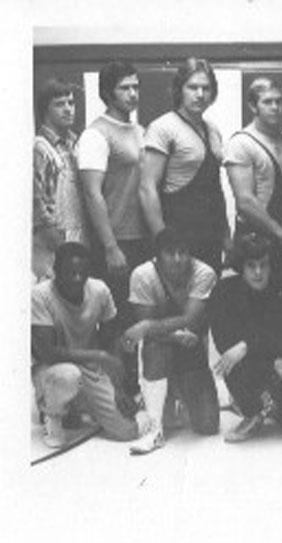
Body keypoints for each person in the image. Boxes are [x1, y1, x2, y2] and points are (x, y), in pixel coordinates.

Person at [77, 60, 150, 395]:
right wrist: (109, 247)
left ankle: (133, 391)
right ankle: (116, 396)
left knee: (135, 319)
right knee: (114, 322)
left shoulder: (138, 130)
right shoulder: (96, 134)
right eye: (125, 87)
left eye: (135, 86)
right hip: (115, 242)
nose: (132, 93)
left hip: (140, 239)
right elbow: (92, 194)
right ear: (107, 92)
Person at [209, 234, 282, 442]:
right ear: (241, 267)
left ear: (271, 265)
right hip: (247, 367)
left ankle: (271, 405)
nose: (258, 272)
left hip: (280, 364)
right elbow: (224, 343)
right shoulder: (223, 291)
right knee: (231, 360)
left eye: (263, 265)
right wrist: (263, 353)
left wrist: (248, 345)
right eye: (251, 266)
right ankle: (251, 410)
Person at [31, 242, 142, 448]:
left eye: (82, 273)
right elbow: (47, 352)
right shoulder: (40, 295)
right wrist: (98, 356)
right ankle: (52, 414)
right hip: (53, 368)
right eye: (70, 273)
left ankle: (80, 405)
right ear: (56, 271)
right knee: (69, 376)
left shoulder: (99, 290)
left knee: (128, 431)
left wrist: (119, 388)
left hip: (90, 367)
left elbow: (111, 341)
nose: (77, 279)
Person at [122, 228, 219, 454]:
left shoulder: (204, 273)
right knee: (154, 347)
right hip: (161, 346)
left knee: (208, 425)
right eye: (170, 253)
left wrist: (148, 326)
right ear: (158, 255)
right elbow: (146, 332)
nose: (177, 259)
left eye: (183, 252)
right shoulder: (142, 275)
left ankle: (175, 392)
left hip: (191, 345)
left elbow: (190, 319)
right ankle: (155, 430)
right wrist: (170, 334)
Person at [139, 57, 229, 274]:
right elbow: (147, 188)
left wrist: (226, 237)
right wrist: (162, 241)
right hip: (177, 238)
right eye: (193, 87)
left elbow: (216, 190)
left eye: (206, 88)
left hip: (210, 237)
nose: (200, 94)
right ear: (180, 89)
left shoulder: (213, 130)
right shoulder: (163, 127)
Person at [224, 78, 282, 286]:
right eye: (267, 102)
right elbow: (245, 201)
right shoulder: (241, 143)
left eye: (279, 101)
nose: (275, 107)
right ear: (253, 106)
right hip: (254, 244)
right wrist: (281, 235)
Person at [33, 78, 84, 281]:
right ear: (45, 109)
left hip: (76, 237)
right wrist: (58, 244)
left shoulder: (74, 144)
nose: (68, 109)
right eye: (59, 104)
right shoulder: (40, 148)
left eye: (71, 103)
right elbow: (37, 203)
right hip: (51, 248)